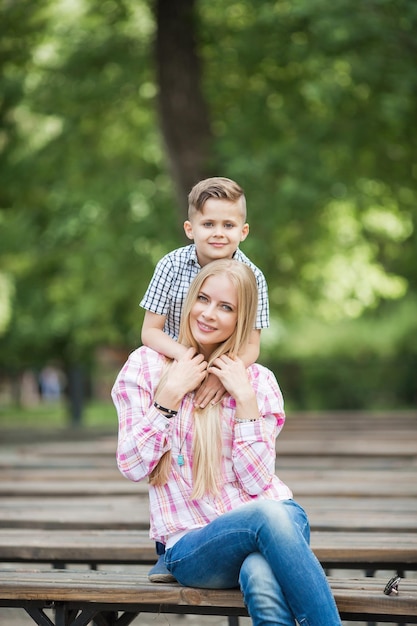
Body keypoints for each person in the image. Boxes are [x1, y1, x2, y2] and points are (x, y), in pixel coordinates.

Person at [112, 259, 342, 626]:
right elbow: (132, 465)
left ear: (241, 319)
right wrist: (168, 396)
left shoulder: (258, 380)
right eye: (202, 298)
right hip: (194, 547)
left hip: (277, 522)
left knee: (260, 575)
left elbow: (256, 482)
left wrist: (245, 401)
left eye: (226, 307)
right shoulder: (145, 367)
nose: (208, 313)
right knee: (268, 515)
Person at [140, 176, 269, 580]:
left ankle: (222, 535)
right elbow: (150, 331)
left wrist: (220, 373)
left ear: (243, 231)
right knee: (170, 455)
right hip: (176, 364)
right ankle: (169, 545)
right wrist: (187, 363)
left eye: (228, 225)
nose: (218, 233)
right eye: (209, 224)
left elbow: (251, 346)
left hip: (223, 371)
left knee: (219, 457)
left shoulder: (253, 276)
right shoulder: (171, 265)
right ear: (190, 227)